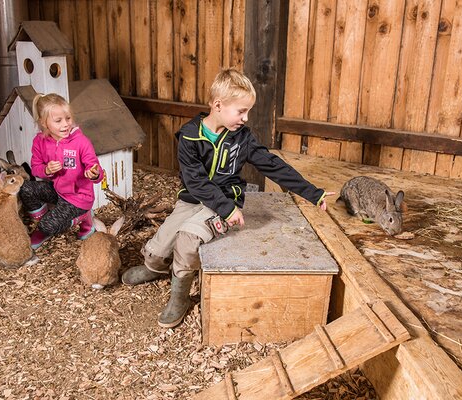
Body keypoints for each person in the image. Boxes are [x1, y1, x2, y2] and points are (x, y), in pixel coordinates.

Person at [121, 69, 334, 328]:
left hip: (225, 200)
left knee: (188, 240)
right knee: (160, 246)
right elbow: (195, 182)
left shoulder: (242, 138)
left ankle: (180, 297)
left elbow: (272, 165)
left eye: (248, 112)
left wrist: (313, 193)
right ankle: (154, 268)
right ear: (218, 105)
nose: (246, 118)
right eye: (241, 111)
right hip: (193, 198)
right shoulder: (189, 136)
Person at [19, 93, 104, 249]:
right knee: (25, 188)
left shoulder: (81, 142)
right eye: (58, 121)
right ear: (44, 123)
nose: (65, 124)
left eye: (68, 118)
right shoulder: (40, 141)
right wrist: (46, 169)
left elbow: (96, 169)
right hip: (58, 191)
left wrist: (94, 173)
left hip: (78, 197)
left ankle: (82, 217)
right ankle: (44, 223)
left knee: (48, 226)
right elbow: (36, 168)